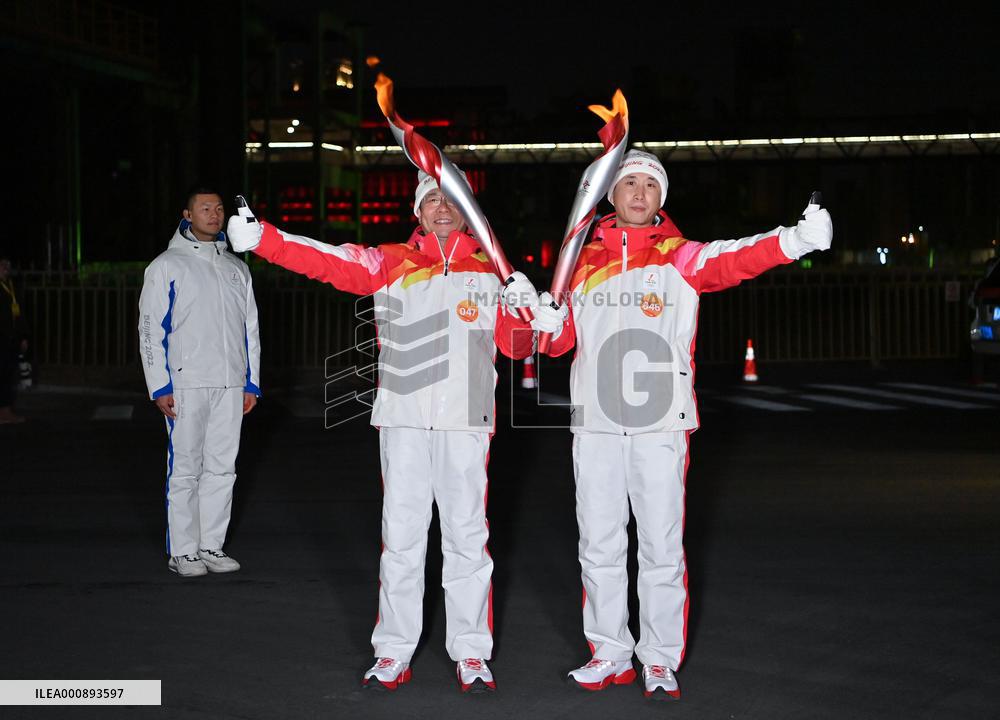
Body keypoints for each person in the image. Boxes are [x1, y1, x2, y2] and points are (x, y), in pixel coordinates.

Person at [532, 149, 833, 700]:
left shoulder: (682, 257)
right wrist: (546, 319)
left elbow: (736, 258)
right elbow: (556, 345)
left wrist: (795, 240)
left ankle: (659, 658)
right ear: (611, 195)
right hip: (595, 425)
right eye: (630, 183)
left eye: (651, 184)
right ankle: (609, 653)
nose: (640, 193)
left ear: (661, 198)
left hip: (659, 427)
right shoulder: (578, 263)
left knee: (660, 546)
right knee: (597, 545)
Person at [227, 170, 538, 694]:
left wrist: (525, 305)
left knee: (467, 538)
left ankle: (471, 653)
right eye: (432, 200)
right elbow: (326, 260)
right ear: (416, 210)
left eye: (452, 200)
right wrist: (265, 240)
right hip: (403, 418)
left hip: (466, 420)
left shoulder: (493, 270)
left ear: (468, 210)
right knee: (402, 539)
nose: (443, 209)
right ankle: (393, 650)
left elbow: (518, 348)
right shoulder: (390, 261)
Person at [138, 188, 261, 578]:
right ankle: (183, 551)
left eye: (219, 208)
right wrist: (159, 385)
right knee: (186, 469)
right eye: (205, 208)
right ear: (187, 214)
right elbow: (149, 329)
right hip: (186, 383)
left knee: (223, 468)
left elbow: (250, 330)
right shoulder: (166, 266)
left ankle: (211, 545)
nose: (214, 214)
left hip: (229, 384)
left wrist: (251, 383)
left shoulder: (236, 267)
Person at [0, 255, 27, 424]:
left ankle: (5, 410)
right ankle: (3, 411)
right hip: (1, 338)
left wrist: (23, 336)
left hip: (10, 338)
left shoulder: (11, 285)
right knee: (2, 375)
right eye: (2, 265)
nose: (5, 268)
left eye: (7, 264)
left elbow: (19, 313)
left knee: (8, 375)